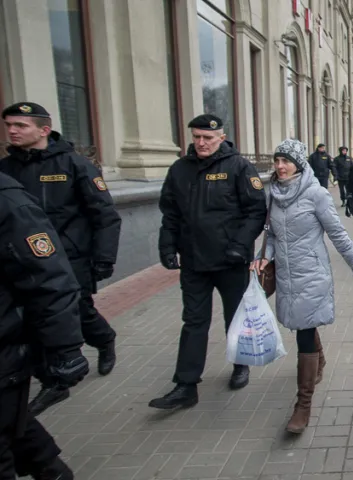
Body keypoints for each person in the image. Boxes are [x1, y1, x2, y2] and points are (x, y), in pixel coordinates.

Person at [0, 101, 121, 416]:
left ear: (43, 130)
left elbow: (105, 215)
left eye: (20, 125)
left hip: (71, 259)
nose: (12, 130)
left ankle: (104, 339)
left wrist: (104, 258)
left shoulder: (74, 165)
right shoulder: (6, 170)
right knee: (32, 318)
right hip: (22, 262)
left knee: (77, 310)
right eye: (9, 125)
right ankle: (52, 379)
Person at [250, 139, 353, 434]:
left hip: (311, 275)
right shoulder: (273, 194)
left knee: (303, 331)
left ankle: (302, 404)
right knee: (301, 325)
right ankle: (318, 360)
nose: (280, 166)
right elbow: (274, 236)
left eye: (286, 161)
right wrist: (263, 258)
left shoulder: (316, 194)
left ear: (299, 163)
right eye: (277, 160)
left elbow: (339, 235)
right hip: (286, 276)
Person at [150, 114, 267, 409]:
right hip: (193, 262)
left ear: (221, 137)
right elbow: (170, 214)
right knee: (193, 321)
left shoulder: (238, 167)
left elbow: (256, 211)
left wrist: (240, 246)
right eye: (197, 137)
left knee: (235, 319)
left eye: (208, 138)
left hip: (230, 261)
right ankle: (186, 385)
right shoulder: (179, 170)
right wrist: (167, 247)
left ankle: (241, 364)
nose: (201, 143)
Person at [0, 172, 89, 479]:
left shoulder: (7, 199)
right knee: (17, 426)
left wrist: (65, 349)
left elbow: (49, 278)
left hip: (6, 347)